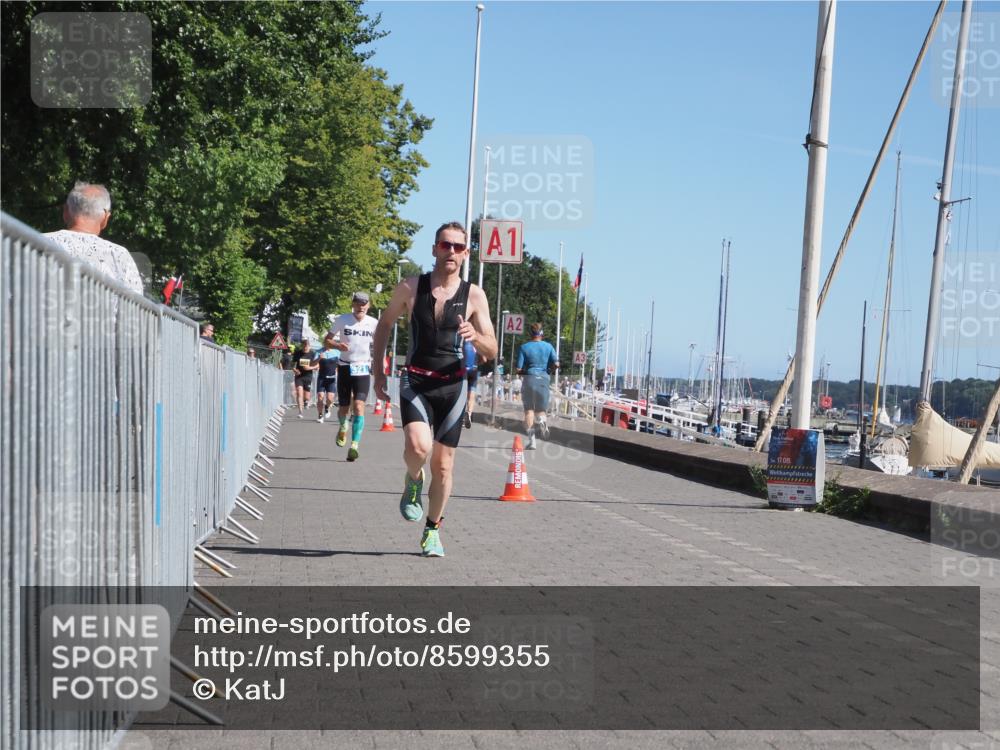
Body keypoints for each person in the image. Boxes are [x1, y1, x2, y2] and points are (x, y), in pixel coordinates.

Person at [373, 221, 496, 557]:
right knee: (418, 446)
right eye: (445, 245)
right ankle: (413, 479)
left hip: (453, 386)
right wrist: (378, 371)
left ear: (466, 254)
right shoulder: (411, 287)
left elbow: (492, 349)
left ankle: (432, 530)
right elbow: (384, 324)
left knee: (443, 467)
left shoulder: (474, 295)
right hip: (416, 379)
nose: (451, 252)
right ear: (434, 249)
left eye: (458, 247)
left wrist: (477, 337)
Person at [45, 181, 144, 295]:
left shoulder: (35, 243)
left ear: (66, 211)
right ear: (105, 217)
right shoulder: (119, 255)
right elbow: (135, 307)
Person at [328, 292, 378, 461]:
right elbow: (325, 341)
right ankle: (343, 426)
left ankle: (354, 445)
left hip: (363, 369)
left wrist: (380, 366)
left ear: (369, 305)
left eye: (364, 304)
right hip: (344, 368)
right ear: (353, 304)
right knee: (343, 408)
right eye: (358, 303)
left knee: (358, 406)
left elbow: (379, 345)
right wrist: (336, 344)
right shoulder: (342, 320)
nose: (361, 307)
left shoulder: (373, 323)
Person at [517, 322, 558, 450]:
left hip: (529, 379)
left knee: (529, 410)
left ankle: (532, 441)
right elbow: (557, 363)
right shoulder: (549, 346)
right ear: (542, 334)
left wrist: (525, 373)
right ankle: (541, 421)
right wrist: (549, 370)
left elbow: (518, 369)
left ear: (531, 333)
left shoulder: (524, 347)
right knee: (541, 409)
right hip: (543, 380)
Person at [315, 333, 340, 423]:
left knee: (330, 398)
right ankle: (320, 415)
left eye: (329, 342)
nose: (327, 343)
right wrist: (318, 359)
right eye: (326, 342)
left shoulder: (337, 352)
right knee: (320, 397)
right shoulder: (319, 351)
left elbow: (341, 364)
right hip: (321, 378)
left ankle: (327, 407)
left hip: (332, 379)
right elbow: (313, 364)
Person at [292, 339, 318, 418]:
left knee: (306, 397)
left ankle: (306, 401)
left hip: (308, 376)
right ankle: (300, 412)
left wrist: (310, 368)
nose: (305, 348)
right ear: (302, 346)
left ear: (309, 346)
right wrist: (295, 370)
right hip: (299, 376)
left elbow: (318, 365)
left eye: (306, 346)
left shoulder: (313, 354)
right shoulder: (297, 353)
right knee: (299, 393)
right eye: (303, 346)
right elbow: (293, 365)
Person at [463, 340, 478, 429]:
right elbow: (484, 359)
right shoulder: (477, 342)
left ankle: (461, 415)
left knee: (462, 394)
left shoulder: (462, 341)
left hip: (463, 370)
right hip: (474, 370)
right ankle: (469, 414)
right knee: (471, 396)